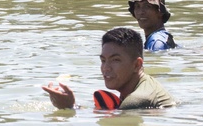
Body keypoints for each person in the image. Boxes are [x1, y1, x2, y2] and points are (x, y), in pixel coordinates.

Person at [42, 26, 175, 110]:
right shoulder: (142, 85)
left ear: (137, 65)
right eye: (103, 60)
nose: (106, 68)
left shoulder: (136, 100)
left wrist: (70, 107)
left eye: (115, 60)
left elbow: (114, 124)